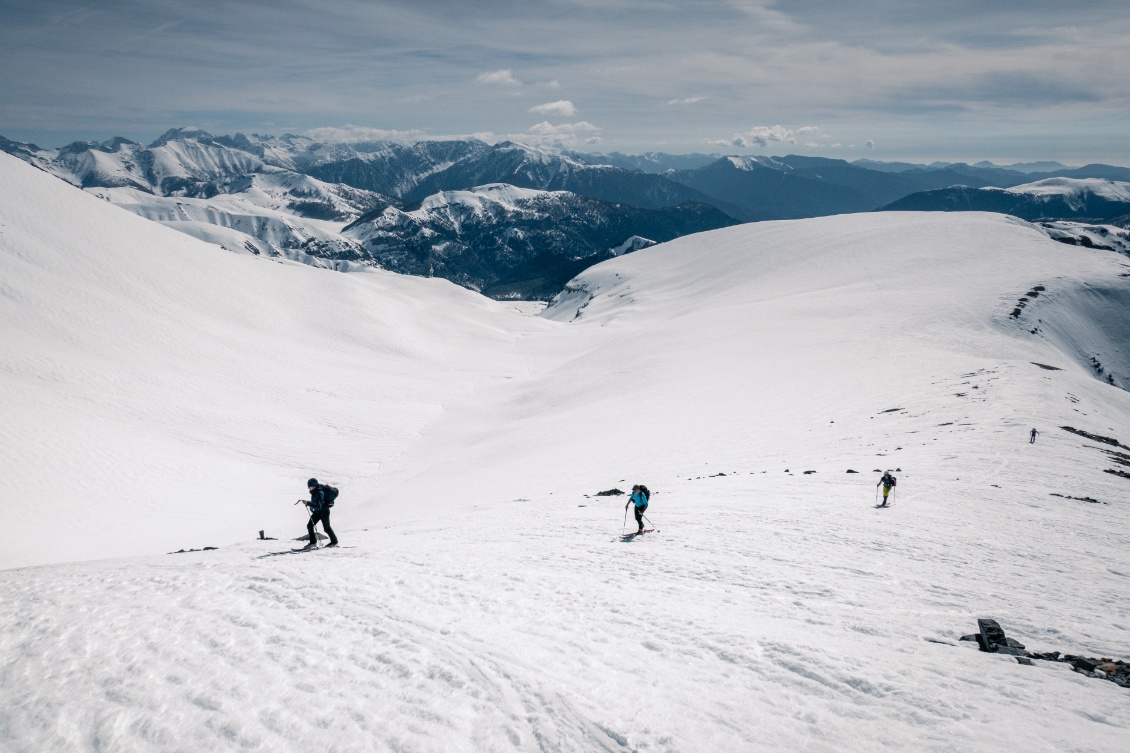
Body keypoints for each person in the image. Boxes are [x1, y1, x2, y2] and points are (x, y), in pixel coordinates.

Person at [300, 477, 338, 549]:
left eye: (309, 486)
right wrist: (311, 505)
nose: (308, 488)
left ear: (313, 486)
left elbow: (318, 506)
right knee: (310, 526)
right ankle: (313, 543)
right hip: (318, 512)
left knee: (327, 528)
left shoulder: (320, 492)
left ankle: (334, 542)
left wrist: (308, 503)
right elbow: (315, 502)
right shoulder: (314, 491)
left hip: (324, 512)